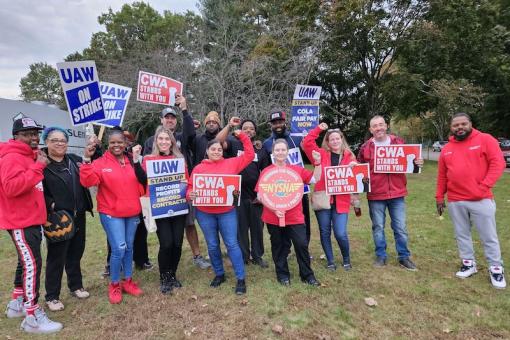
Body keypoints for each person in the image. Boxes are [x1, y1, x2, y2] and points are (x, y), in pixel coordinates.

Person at [1, 117, 62, 333]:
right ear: (16, 136)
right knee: (32, 265)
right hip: (20, 220)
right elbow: (11, 187)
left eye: (36, 133)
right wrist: (37, 168)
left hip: (30, 218)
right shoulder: (11, 157)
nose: (34, 137)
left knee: (24, 261)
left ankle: (17, 303)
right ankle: (32, 316)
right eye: (28, 134)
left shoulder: (29, 154)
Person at [436, 113, 506, 289]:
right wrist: (439, 196)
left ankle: (496, 269)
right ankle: (468, 264)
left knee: (488, 236)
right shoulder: (447, 148)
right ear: (451, 128)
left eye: (463, 124)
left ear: (470, 124)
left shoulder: (485, 139)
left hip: (481, 199)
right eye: (455, 125)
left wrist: (483, 187)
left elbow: (498, 163)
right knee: (462, 234)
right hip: (455, 199)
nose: (459, 127)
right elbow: (442, 175)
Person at [145, 96, 211, 270]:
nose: (169, 120)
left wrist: (184, 109)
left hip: (182, 192)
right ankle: (165, 267)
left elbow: (190, 132)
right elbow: (146, 171)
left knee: (189, 224)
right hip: (161, 197)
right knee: (166, 238)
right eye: (166, 117)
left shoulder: (182, 137)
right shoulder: (151, 141)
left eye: (172, 118)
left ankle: (197, 255)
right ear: (161, 120)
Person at [80, 128, 144, 304]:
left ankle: (128, 281)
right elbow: (87, 181)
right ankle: (114, 284)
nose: (117, 145)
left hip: (132, 212)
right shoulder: (100, 162)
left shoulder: (132, 161)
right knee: (119, 249)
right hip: (111, 212)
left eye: (120, 142)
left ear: (125, 144)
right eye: (113, 142)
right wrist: (86, 159)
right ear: (108, 144)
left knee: (130, 247)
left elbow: (142, 181)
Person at [187, 127, 254, 295]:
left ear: (222, 151)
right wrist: (190, 194)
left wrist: (243, 136)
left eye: (219, 149)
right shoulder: (198, 169)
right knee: (212, 244)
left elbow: (249, 155)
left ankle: (240, 278)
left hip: (226, 212)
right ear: (207, 151)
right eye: (213, 149)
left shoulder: (231, 163)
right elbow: (189, 189)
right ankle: (219, 274)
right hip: (205, 213)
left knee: (231, 243)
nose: (216, 151)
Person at [357, 115, 422, 270]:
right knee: (378, 226)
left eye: (381, 125)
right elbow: (360, 169)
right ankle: (381, 255)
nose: (378, 128)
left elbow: (410, 161)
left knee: (400, 227)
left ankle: (404, 257)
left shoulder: (398, 142)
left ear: (386, 126)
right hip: (376, 195)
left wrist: (417, 162)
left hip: (397, 193)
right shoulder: (365, 147)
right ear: (370, 129)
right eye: (375, 126)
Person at [256, 139, 322, 286]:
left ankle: (307, 275)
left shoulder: (296, 170)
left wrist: (317, 163)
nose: (280, 152)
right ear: (273, 152)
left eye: (283, 150)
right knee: (279, 245)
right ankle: (282, 275)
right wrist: (274, 208)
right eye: (277, 150)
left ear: (287, 152)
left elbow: (314, 179)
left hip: (295, 216)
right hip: (273, 216)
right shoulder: (266, 172)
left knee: (301, 244)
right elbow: (260, 195)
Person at [41, 127, 93, 312]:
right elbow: (36, 190)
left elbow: (92, 165)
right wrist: (51, 205)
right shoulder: (42, 163)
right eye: (55, 140)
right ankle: (52, 296)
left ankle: (76, 286)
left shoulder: (73, 160)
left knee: (76, 252)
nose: (60, 143)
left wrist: (92, 150)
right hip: (57, 219)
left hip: (78, 215)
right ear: (46, 141)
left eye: (63, 140)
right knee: (57, 257)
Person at [134, 127, 188, 294]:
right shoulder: (149, 159)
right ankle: (164, 276)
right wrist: (136, 161)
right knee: (166, 243)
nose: (164, 141)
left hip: (178, 205)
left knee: (178, 244)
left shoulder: (180, 159)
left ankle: (172, 274)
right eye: (161, 139)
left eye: (167, 138)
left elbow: (186, 180)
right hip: (159, 206)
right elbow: (143, 179)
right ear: (156, 141)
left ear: (172, 141)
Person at [302, 123, 358, 271]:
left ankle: (346, 259)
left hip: (342, 201)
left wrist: (354, 169)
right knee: (325, 231)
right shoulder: (320, 154)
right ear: (327, 142)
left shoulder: (349, 156)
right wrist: (319, 129)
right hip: (323, 199)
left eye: (337, 138)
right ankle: (330, 261)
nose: (334, 141)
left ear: (341, 139)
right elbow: (307, 142)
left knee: (340, 233)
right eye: (331, 139)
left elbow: (358, 178)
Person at [262, 111, 312, 247]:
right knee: (282, 220)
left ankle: (304, 246)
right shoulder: (266, 143)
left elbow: (309, 154)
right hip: (280, 189)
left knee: (304, 219)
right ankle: (286, 248)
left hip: (299, 188)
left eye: (280, 121)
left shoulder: (296, 138)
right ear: (270, 125)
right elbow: (266, 167)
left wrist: (308, 139)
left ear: (285, 122)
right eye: (274, 123)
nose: (278, 125)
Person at [230, 119, 270, 267]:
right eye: (245, 128)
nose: (248, 130)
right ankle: (244, 256)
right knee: (240, 227)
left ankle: (258, 255)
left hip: (255, 196)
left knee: (257, 227)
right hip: (237, 194)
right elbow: (220, 142)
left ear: (255, 132)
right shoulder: (233, 145)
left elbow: (266, 172)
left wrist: (262, 193)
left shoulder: (261, 149)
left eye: (251, 128)